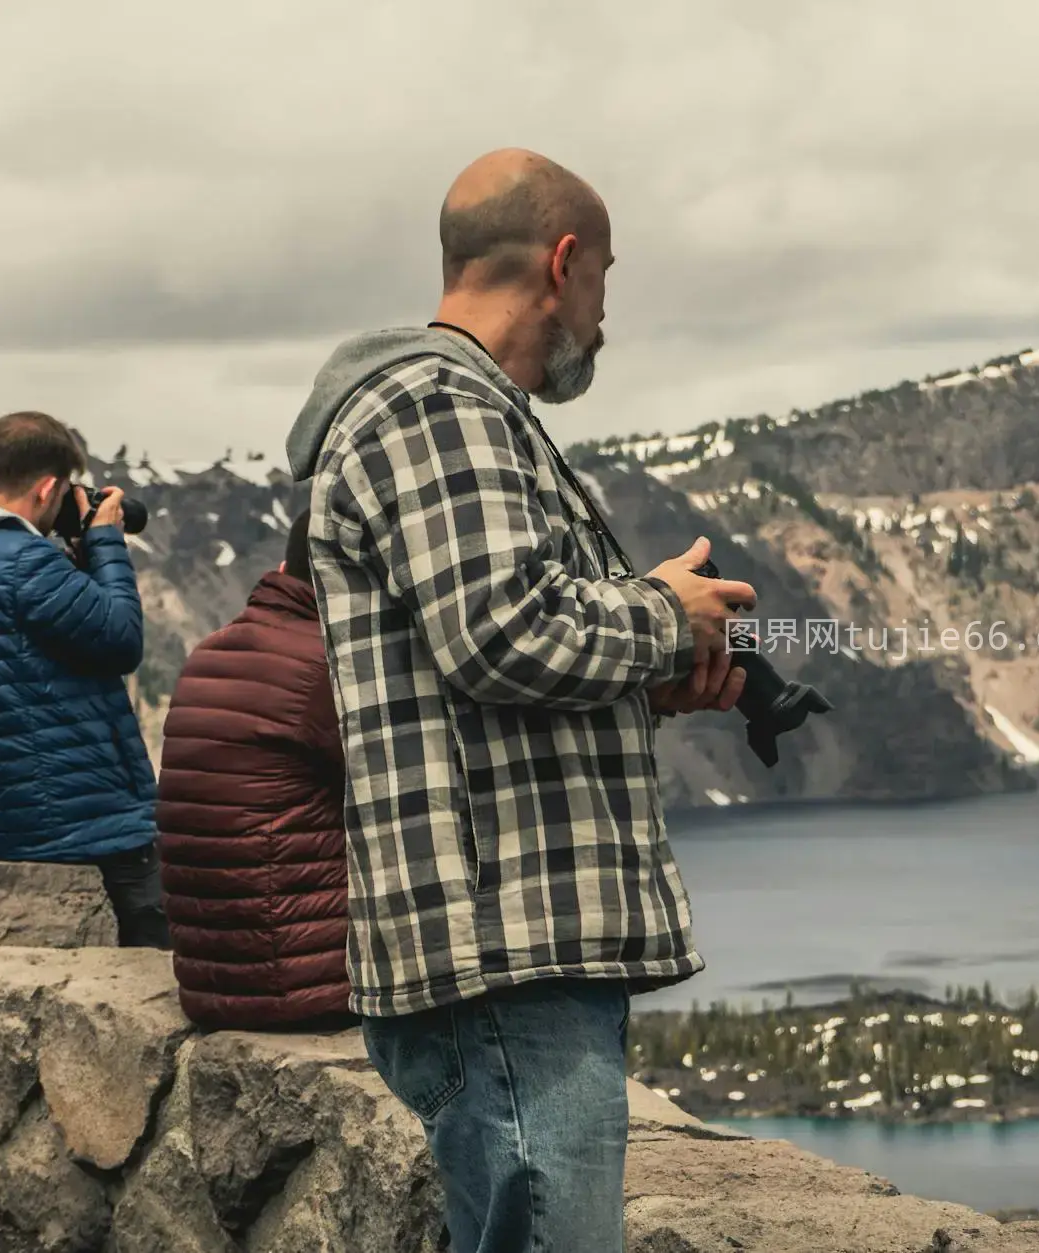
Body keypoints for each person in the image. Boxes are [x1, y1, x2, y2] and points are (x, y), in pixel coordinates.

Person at [283, 148, 754, 1251]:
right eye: (604, 285)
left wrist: (644, 680)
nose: (603, 320)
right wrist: (661, 614)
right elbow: (500, 632)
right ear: (562, 261)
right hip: (503, 950)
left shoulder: (455, 408)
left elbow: (480, 666)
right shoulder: (436, 405)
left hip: (505, 946)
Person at [0, 410, 171, 948]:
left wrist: (77, 569)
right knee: (152, 967)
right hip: (92, 824)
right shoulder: (25, 563)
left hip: (9, 819)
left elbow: (41, 654)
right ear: (49, 488)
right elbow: (122, 639)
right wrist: (105, 543)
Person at [155, 513, 351, 1030]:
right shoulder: (326, 668)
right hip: (305, 985)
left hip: (210, 979)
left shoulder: (210, 650)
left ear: (285, 568)